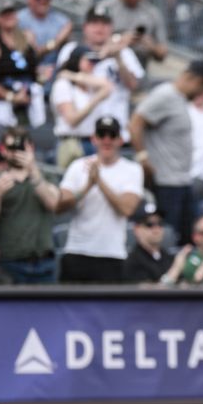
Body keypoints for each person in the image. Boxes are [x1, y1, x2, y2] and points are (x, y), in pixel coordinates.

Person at [130, 60, 203, 245]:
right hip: (167, 182)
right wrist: (143, 157)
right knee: (168, 238)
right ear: (196, 80)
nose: (202, 94)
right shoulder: (165, 95)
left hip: (182, 180)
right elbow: (136, 122)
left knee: (187, 238)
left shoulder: (178, 98)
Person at [56, 116, 143, 283]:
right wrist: (88, 186)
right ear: (93, 139)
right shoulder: (77, 166)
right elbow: (59, 206)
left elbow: (127, 209)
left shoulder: (132, 169)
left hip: (112, 254)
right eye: (102, 134)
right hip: (77, 251)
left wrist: (99, 182)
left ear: (120, 139)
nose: (107, 140)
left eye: (112, 135)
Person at [56, 5, 144, 142]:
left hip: (116, 134)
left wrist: (118, 57)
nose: (100, 28)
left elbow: (133, 85)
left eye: (104, 23)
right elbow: (63, 76)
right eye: (94, 22)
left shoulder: (125, 53)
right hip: (81, 134)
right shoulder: (72, 50)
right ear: (85, 26)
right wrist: (104, 54)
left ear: (112, 27)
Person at [0, 128, 59, 284]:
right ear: (3, 151)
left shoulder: (46, 176)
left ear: (31, 147)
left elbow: (53, 204)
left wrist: (34, 172)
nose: (16, 153)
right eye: (12, 148)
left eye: (21, 148)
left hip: (44, 262)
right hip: (10, 262)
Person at [0, 0, 43, 128]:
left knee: (40, 119)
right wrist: (11, 97)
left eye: (12, 13)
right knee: (4, 120)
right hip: (5, 95)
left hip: (29, 92)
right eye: (5, 14)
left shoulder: (27, 36)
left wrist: (41, 74)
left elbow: (34, 66)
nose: (10, 17)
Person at [51, 46, 113, 168]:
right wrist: (95, 100)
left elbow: (108, 85)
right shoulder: (63, 85)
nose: (92, 64)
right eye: (88, 60)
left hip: (93, 142)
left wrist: (73, 75)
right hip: (72, 143)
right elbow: (72, 120)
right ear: (76, 60)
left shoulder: (90, 84)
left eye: (94, 61)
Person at [98, 0, 168, 69]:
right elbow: (92, 42)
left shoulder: (152, 14)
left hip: (139, 70)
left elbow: (163, 53)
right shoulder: (106, 8)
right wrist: (121, 40)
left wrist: (150, 45)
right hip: (107, 65)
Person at [17, 0, 72, 81]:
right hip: (25, 72)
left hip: (54, 72)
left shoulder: (60, 20)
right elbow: (31, 53)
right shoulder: (18, 19)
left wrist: (49, 46)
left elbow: (68, 27)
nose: (43, 0)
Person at [123, 201, 175, 283]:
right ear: (137, 230)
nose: (156, 228)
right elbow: (150, 294)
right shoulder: (133, 262)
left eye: (160, 223)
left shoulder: (167, 257)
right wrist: (176, 270)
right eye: (149, 224)